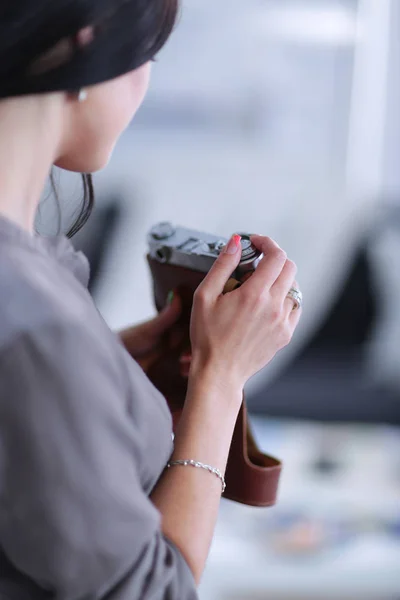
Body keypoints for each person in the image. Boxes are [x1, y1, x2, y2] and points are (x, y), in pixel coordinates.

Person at [0, 2, 302, 598]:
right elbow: (151, 591)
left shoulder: (34, 298)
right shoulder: (35, 324)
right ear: (84, 47)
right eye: (148, 58)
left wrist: (103, 366)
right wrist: (221, 380)